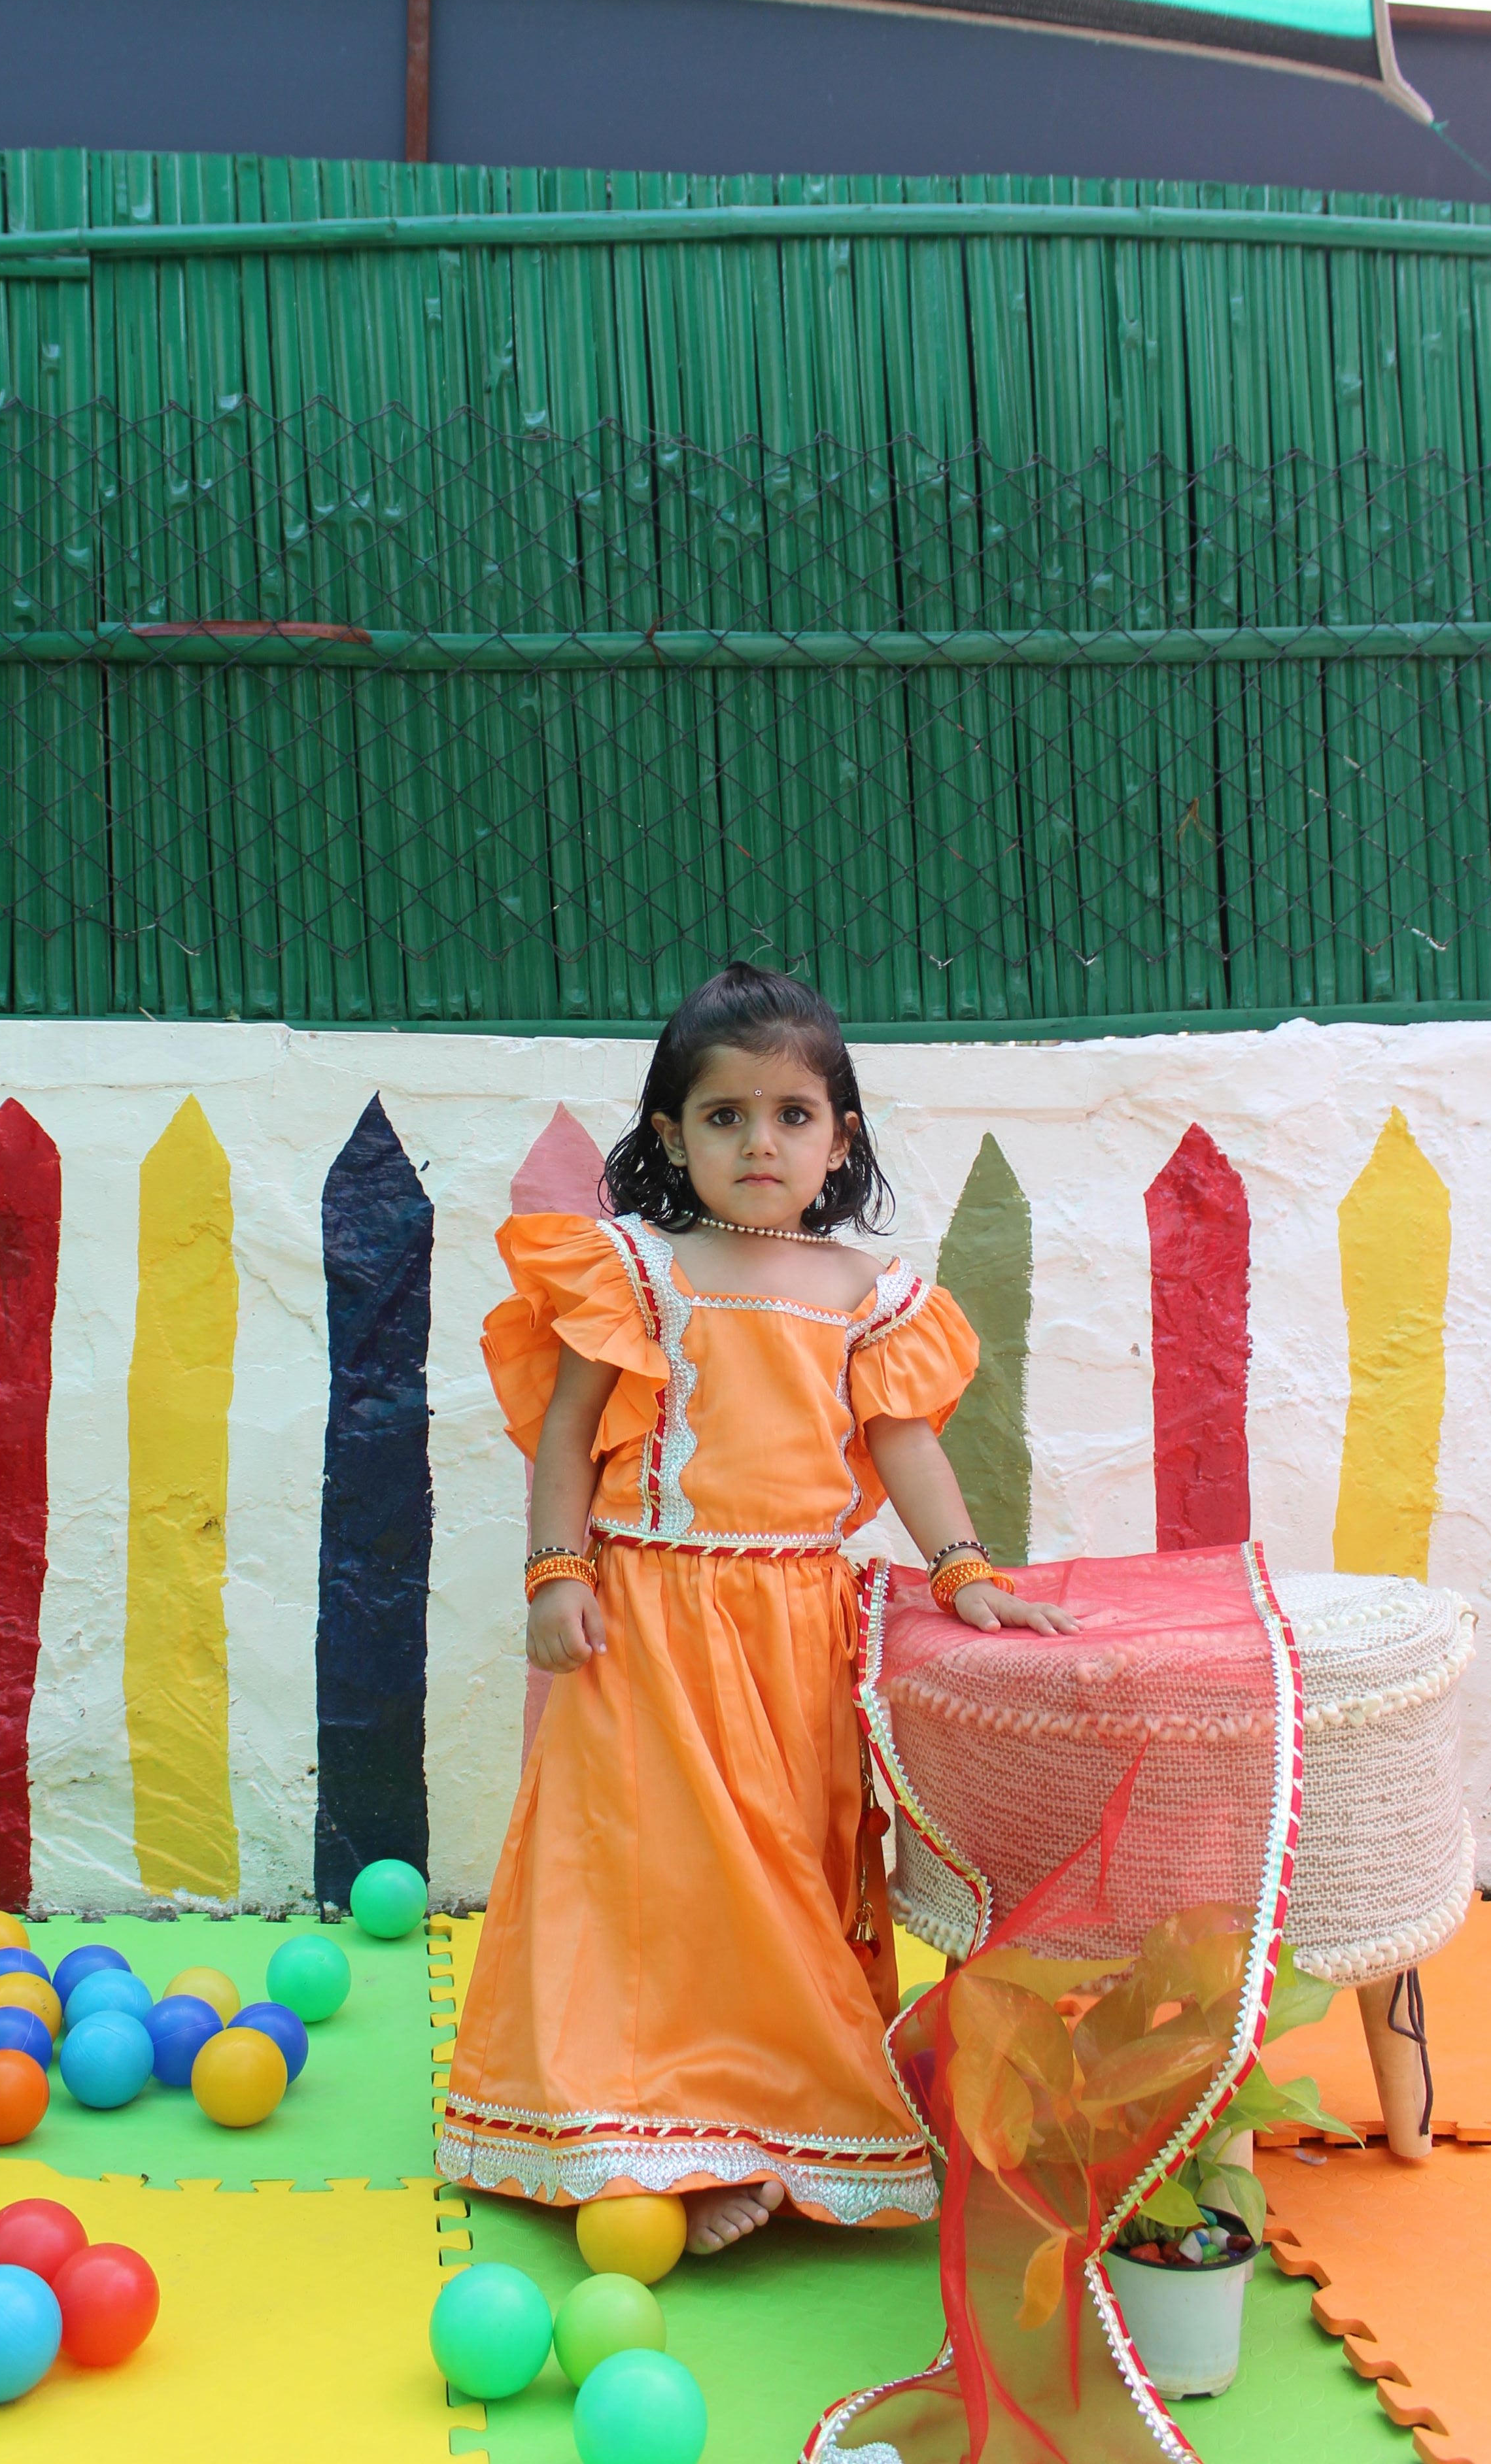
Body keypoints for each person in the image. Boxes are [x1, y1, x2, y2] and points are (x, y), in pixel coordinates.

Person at [437, 965, 1077, 2255]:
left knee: (779, 1882)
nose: (760, 1142)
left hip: (794, 1629)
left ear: (840, 1138)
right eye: (723, 1117)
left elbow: (901, 1445)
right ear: (672, 1136)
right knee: (642, 1880)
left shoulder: (864, 1292)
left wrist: (963, 1571)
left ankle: (764, 2124)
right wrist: (555, 1573)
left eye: (793, 1115)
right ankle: (640, 2133)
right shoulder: (629, 1267)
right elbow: (567, 1436)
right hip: (643, 1624)